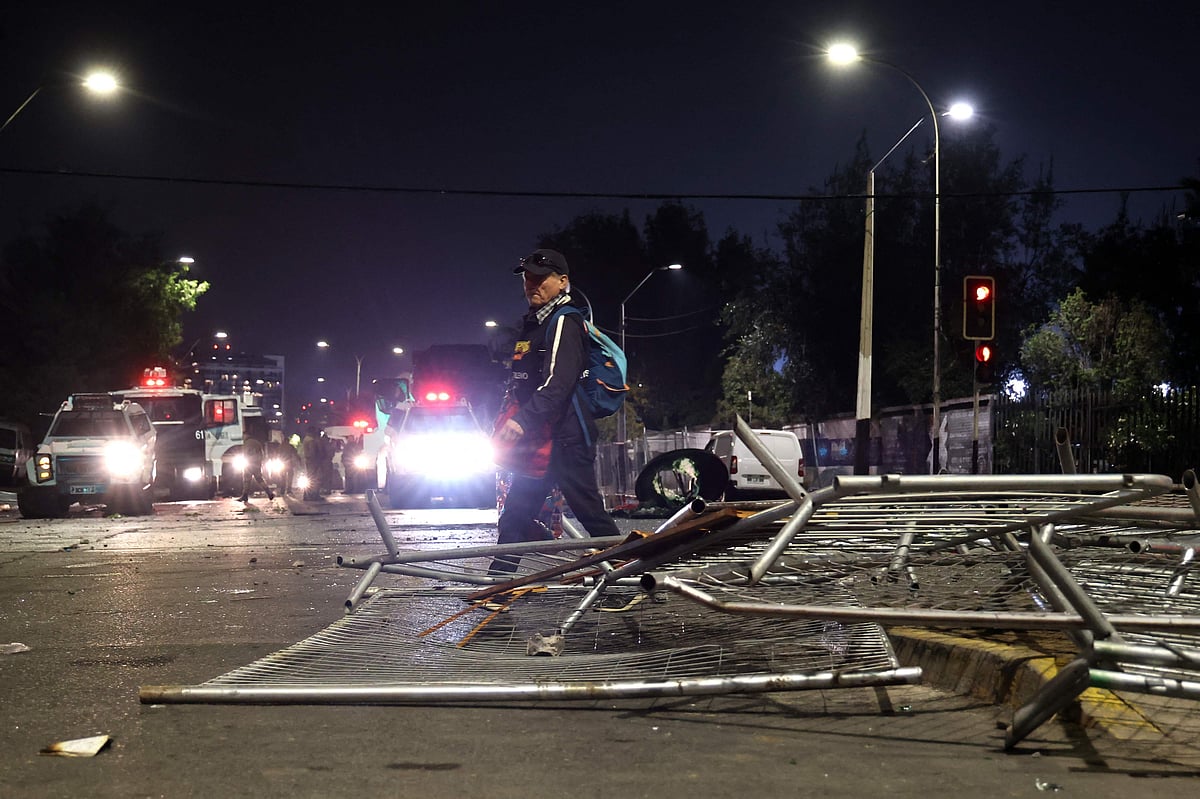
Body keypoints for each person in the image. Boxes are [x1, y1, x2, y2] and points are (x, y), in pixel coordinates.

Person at [491, 248, 620, 573]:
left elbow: (559, 383)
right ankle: (498, 585)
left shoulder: (565, 321)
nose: (532, 283)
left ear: (563, 282)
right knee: (517, 513)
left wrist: (523, 420)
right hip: (541, 439)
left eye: (541, 277)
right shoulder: (536, 323)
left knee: (590, 513)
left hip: (566, 438)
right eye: (527, 277)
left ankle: (630, 579)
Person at [237, 434, 274, 502]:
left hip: (249, 463)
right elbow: (262, 453)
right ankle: (269, 493)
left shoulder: (247, 443)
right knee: (259, 479)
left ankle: (245, 496)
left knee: (247, 480)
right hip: (257, 463)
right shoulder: (257, 442)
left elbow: (245, 453)